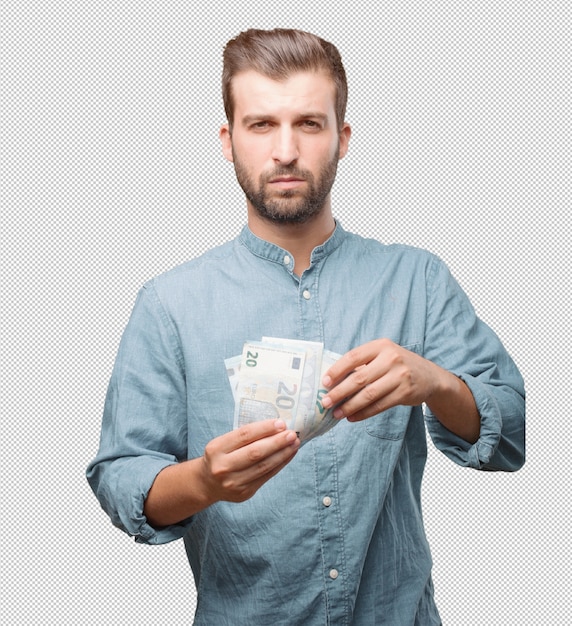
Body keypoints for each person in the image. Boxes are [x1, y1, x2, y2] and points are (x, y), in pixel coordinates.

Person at [87, 28, 525, 625]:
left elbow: (510, 437)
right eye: (261, 124)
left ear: (343, 139)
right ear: (228, 139)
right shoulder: (170, 303)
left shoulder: (416, 279)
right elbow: (121, 478)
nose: (286, 151)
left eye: (309, 125)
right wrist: (205, 481)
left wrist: (437, 384)